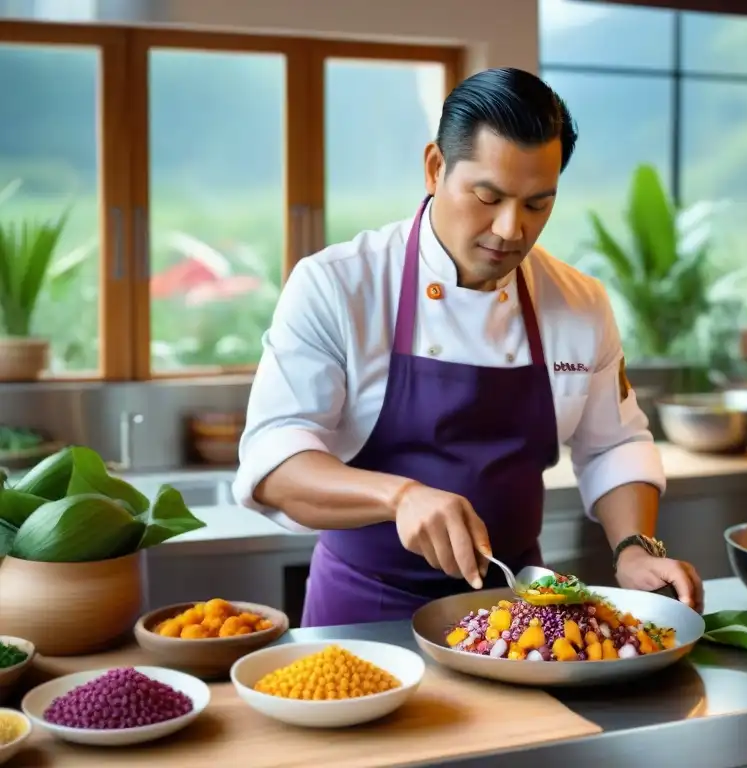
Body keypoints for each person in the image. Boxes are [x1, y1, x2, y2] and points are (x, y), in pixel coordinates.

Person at [232, 66, 704, 627]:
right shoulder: (338, 285)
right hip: (363, 615)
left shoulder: (579, 303)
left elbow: (613, 446)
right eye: (488, 196)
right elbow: (274, 463)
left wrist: (634, 548)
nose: (510, 230)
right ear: (435, 168)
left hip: (517, 614)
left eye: (537, 205)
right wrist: (400, 497)